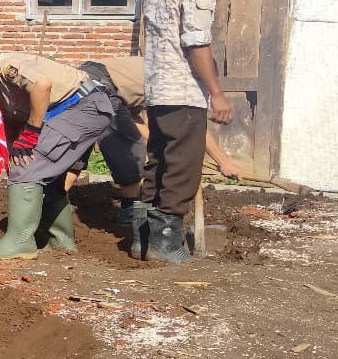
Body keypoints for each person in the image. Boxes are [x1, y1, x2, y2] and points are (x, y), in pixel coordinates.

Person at [0, 49, 115, 259]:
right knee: (37, 169)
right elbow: (9, 135)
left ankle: (19, 243)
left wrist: (30, 136)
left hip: (85, 105)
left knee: (28, 167)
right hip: (67, 113)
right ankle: (61, 243)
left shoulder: (5, 68)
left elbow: (43, 85)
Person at [140, 0, 234, 262]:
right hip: (183, 93)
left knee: (158, 162)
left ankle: (143, 238)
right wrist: (217, 95)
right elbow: (197, 44)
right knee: (182, 168)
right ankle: (165, 245)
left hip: (156, 90)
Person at [66, 57, 244, 230]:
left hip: (87, 81)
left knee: (74, 150)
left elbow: (130, 117)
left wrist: (156, 142)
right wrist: (224, 161)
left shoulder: (156, 70)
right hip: (102, 86)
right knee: (130, 150)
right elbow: (194, 127)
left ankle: (52, 202)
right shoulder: (174, 80)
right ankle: (131, 211)